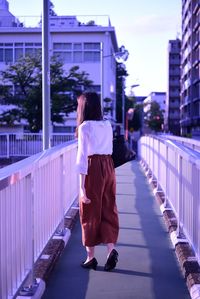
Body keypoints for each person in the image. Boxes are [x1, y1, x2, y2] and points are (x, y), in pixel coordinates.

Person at [76, 92, 119, 271]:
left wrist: (81, 187)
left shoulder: (85, 127)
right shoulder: (107, 124)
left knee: (89, 212)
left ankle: (90, 258)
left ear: (84, 107)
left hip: (93, 168)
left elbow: (82, 157)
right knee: (109, 209)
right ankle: (111, 251)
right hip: (109, 166)